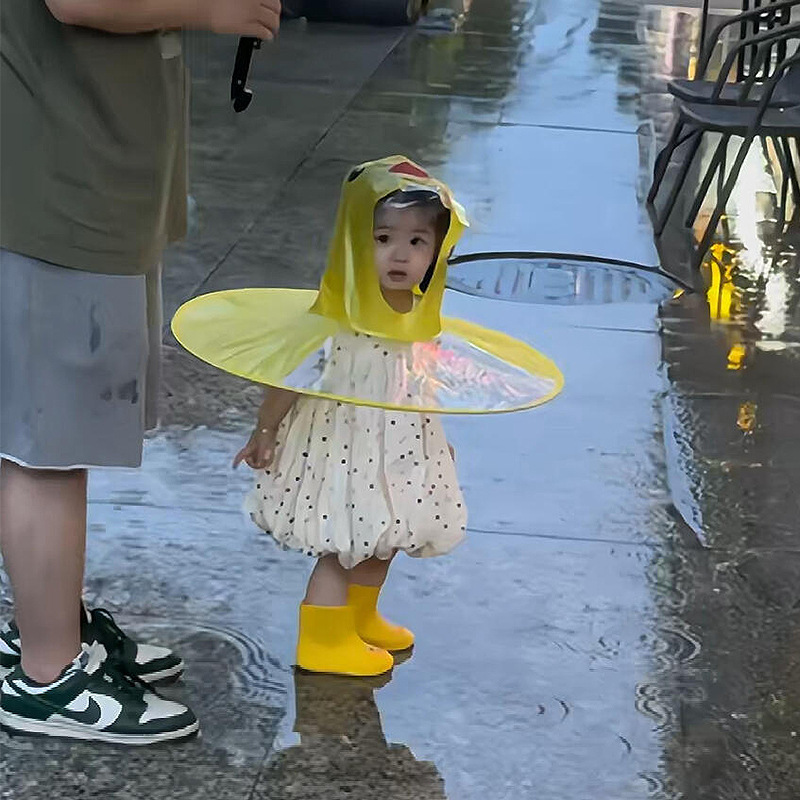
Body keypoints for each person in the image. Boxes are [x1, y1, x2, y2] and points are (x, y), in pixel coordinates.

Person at [0, 0, 281, 745]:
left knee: (56, 439)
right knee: (46, 446)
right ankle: (47, 673)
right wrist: (214, 10)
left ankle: (49, 624)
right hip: (57, 186)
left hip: (90, 170)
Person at [236, 172, 468, 677]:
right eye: (383, 239)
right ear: (356, 244)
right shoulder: (339, 314)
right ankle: (322, 639)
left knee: (388, 536)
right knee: (342, 545)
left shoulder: (419, 315)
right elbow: (291, 376)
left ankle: (359, 617)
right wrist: (266, 430)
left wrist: (436, 441)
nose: (399, 255)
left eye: (417, 242)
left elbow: (418, 382)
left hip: (399, 447)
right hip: (345, 446)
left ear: (436, 251)